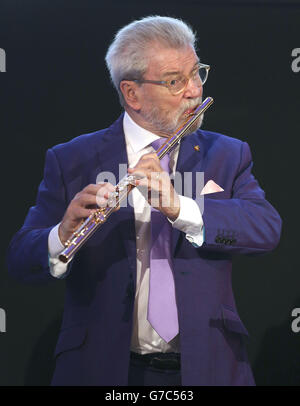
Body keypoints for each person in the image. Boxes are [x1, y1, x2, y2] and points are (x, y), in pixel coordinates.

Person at [7, 16, 282, 386]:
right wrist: (61, 234)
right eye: (175, 81)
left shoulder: (228, 154)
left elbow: (265, 228)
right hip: (100, 368)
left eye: (197, 73)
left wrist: (180, 207)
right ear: (132, 94)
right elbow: (20, 258)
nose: (194, 91)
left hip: (209, 366)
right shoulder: (73, 159)